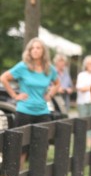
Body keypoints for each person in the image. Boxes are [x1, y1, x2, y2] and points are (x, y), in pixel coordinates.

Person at [0, 37, 60, 165]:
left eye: (38, 48)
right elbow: (4, 78)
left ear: (43, 51)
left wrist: (50, 94)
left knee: (41, 148)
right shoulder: (23, 66)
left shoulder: (49, 68)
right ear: (29, 51)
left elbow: (57, 83)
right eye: (32, 48)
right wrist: (15, 96)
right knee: (21, 148)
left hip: (43, 112)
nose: (35, 50)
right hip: (24, 111)